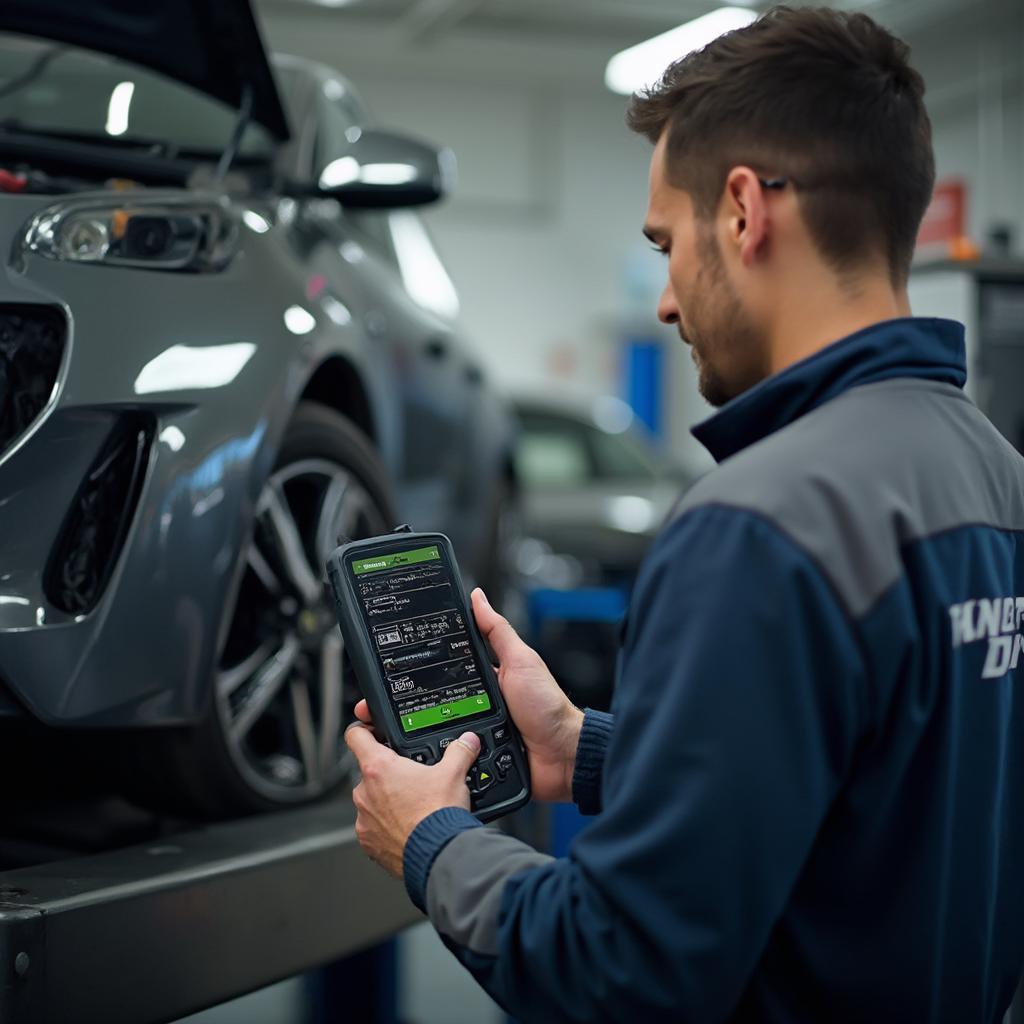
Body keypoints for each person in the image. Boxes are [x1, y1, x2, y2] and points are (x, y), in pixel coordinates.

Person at [344, 6, 1024, 1021]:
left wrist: (433, 842)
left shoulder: (757, 524)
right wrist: (585, 748)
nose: (665, 300)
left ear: (743, 211)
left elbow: (621, 971)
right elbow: (877, 799)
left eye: (666, 242)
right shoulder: (996, 477)